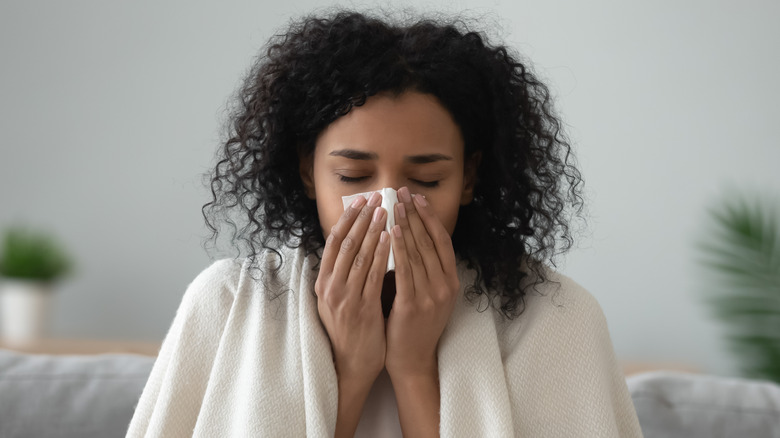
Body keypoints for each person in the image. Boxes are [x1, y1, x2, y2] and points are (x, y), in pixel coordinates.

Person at [127, 10, 643, 438]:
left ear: (468, 178)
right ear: (309, 171)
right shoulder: (229, 303)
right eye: (353, 175)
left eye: (426, 179)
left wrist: (414, 370)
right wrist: (351, 370)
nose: (389, 206)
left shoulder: (555, 316)